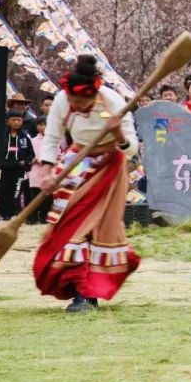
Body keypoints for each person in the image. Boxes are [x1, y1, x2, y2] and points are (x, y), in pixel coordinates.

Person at [34, 55, 140, 312]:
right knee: (68, 225)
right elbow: (52, 137)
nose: (76, 105)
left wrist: (117, 134)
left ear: (93, 95)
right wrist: (47, 171)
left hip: (109, 166)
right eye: (73, 101)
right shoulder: (62, 99)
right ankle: (75, 286)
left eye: (81, 101)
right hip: (75, 162)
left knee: (93, 228)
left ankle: (87, 294)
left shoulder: (112, 101)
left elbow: (130, 148)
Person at [0, 109, 34, 221]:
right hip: (4, 169)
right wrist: (0, 162)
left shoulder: (25, 137)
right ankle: (4, 215)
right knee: (3, 192)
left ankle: (13, 215)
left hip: (19, 170)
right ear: (8, 121)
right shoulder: (2, 136)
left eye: (19, 120)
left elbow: (31, 154)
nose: (16, 122)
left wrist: (25, 161)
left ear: (22, 121)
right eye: (14, 120)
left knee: (16, 193)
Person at [27, 119, 54, 224]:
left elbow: (59, 154)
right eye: (39, 125)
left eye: (44, 125)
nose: (41, 127)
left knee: (47, 196)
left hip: (48, 170)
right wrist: (34, 159)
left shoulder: (53, 141)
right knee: (34, 195)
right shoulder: (33, 140)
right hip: (35, 171)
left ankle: (44, 216)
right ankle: (33, 218)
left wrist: (49, 160)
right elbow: (29, 154)